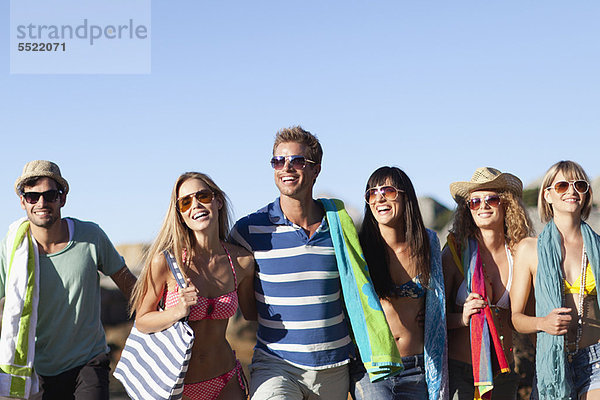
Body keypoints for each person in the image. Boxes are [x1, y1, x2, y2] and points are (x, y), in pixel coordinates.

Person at [230, 126, 400, 400]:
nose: (286, 167)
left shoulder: (339, 227)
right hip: (276, 365)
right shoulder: (249, 230)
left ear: (316, 169)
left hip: (333, 367)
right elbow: (243, 304)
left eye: (297, 161)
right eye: (278, 161)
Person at [0, 160, 137, 400]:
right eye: (32, 196)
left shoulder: (91, 236)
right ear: (23, 202)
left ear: (62, 199)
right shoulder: (12, 249)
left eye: (50, 195)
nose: (41, 203)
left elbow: (133, 289)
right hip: (36, 371)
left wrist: (167, 317)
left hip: (89, 362)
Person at [129, 172, 255, 400]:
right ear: (180, 214)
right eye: (185, 202)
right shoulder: (167, 261)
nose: (195, 205)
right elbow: (142, 320)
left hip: (226, 379)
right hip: (179, 387)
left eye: (203, 196)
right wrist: (177, 311)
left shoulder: (242, 261)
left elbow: (252, 313)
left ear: (218, 201)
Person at [350, 166, 448, 400]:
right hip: (372, 369)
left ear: (406, 197)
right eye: (372, 193)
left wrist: (434, 315)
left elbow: (439, 301)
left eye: (388, 191)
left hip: (418, 368)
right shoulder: (359, 250)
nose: (380, 198)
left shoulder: (428, 244)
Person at [511, 160, 600, 399]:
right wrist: (543, 323)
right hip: (552, 361)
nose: (572, 191)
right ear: (547, 195)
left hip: (596, 359)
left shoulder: (598, 247)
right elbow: (516, 318)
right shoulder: (530, 249)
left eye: (579, 185)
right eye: (562, 185)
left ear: (586, 194)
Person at [443, 167, 534, 399]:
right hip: (461, 375)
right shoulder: (455, 253)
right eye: (474, 202)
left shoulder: (518, 254)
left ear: (506, 205)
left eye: (491, 199)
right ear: (468, 210)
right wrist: (462, 317)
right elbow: (432, 318)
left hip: (504, 373)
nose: (482, 206)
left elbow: (528, 315)